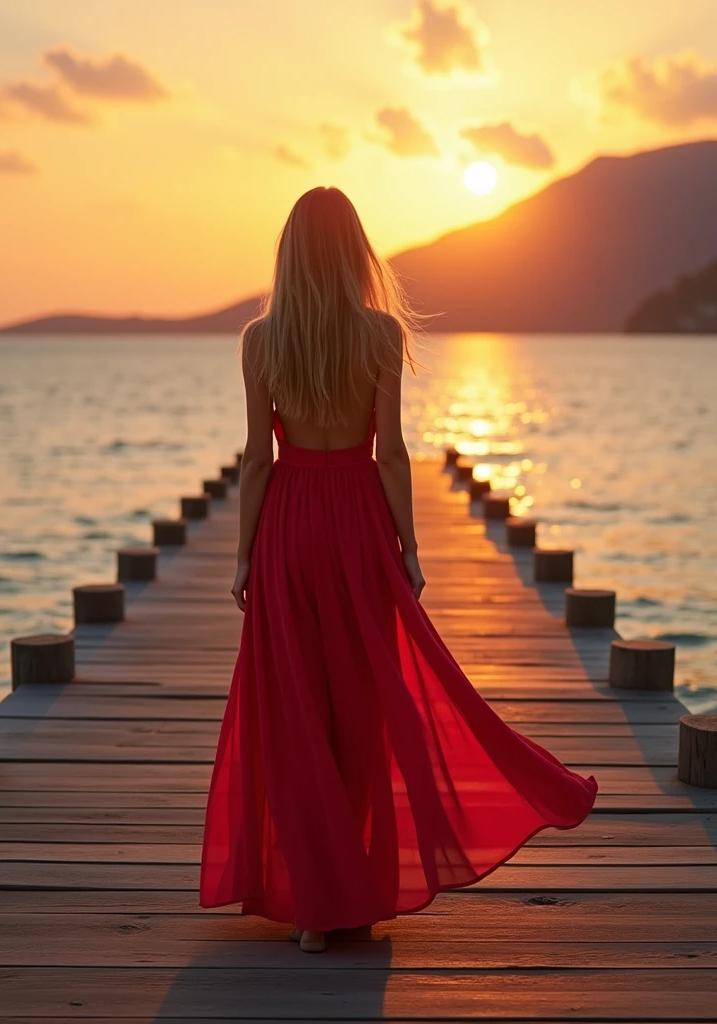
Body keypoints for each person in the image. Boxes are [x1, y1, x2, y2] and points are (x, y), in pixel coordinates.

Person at [199, 186, 598, 953]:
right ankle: (343, 895)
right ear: (355, 253)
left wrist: (245, 553)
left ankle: (314, 904)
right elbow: (388, 452)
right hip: (354, 523)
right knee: (357, 703)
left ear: (287, 254)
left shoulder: (260, 340)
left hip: (288, 523)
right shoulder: (380, 335)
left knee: (294, 710)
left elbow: (257, 457)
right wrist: (408, 547)